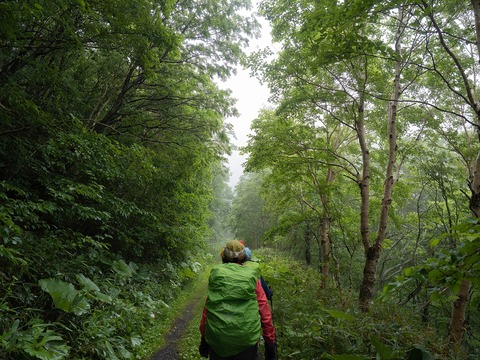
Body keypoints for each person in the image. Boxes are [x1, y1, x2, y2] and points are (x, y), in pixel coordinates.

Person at [199, 240, 277, 360]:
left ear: (223, 257)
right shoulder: (252, 277)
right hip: (246, 339)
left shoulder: (217, 275)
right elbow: (264, 310)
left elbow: (208, 309)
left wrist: (204, 338)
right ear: (244, 257)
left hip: (218, 339)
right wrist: (270, 343)